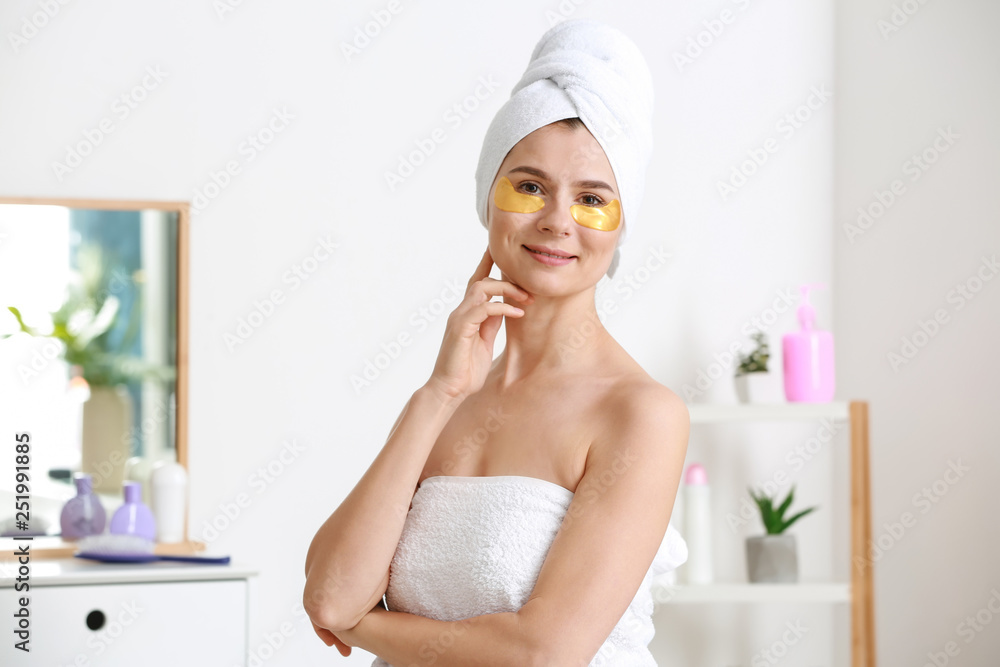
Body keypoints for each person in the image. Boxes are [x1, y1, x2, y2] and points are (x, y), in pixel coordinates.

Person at [303, 18, 690, 665]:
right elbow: (331, 592)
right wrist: (438, 393)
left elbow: (543, 653)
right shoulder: (452, 395)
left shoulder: (641, 414)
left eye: (592, 198)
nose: (557, 220)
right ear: (489, 200)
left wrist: (363, 628)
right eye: (530, 186)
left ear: (620, 227)